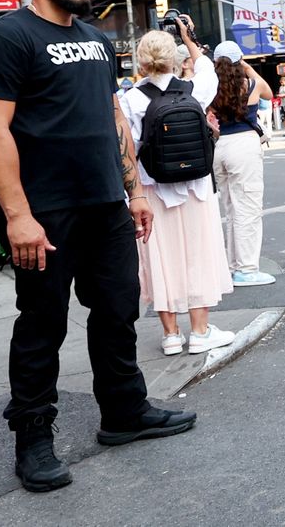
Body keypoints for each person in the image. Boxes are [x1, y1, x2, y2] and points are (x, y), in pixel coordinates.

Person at [0, 0, 195, 493]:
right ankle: (33, 437)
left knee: (117, 310)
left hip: (105, 204)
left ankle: (123, 412)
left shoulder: (94, 40)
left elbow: (112, 115)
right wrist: (18, 216)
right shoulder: (6, 37)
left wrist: (134, 190)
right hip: (44, 210)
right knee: (42, 324)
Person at [121, 24, 236, 356]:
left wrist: (132, 193)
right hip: (196, 188)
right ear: (173, 58)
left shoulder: (131, 99)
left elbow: (129, 147)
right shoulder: (193, 89)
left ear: (140, 62)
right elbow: (207, 67)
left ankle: (171, 334)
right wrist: (189, 38)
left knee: (161, 258)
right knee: (198, 256)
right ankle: (200, 331)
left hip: (153, 189)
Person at [212, 42, 275, 287]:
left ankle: (232, 265)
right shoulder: (252, 84)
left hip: (220, 147)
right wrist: (248, 68)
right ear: (240, 61)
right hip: (244, 147)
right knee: (248, 209)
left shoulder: (212, 88)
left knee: (231, 209)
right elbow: (269, 93)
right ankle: (247, 269)